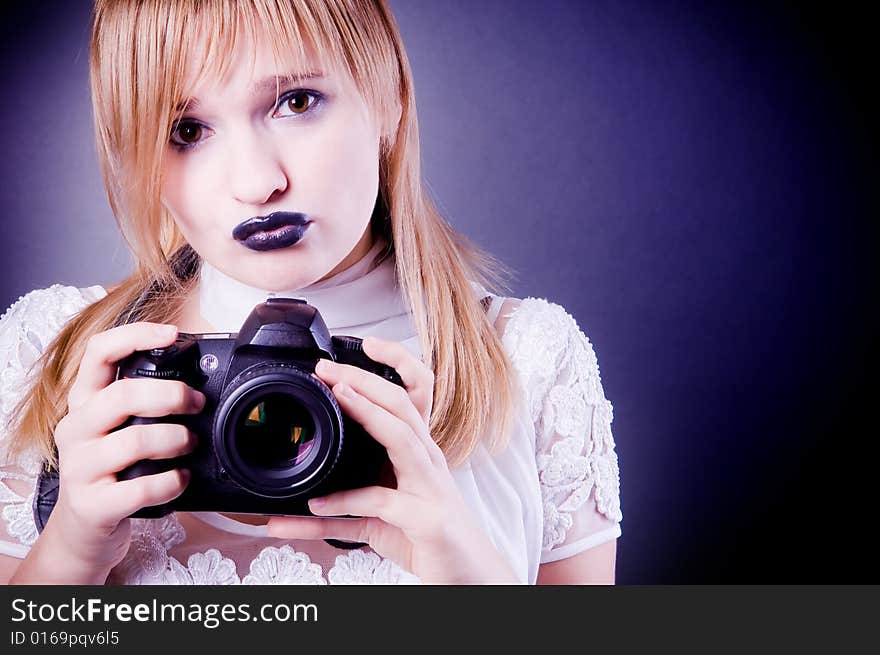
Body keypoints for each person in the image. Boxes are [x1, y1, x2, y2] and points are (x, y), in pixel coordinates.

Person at [0, 0, 621, 585]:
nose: (256, 183)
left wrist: (467, 576)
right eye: (186, 130)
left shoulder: (530, 362)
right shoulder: (53, 351)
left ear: (389, 96)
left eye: (297, 101)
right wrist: (70, 552)